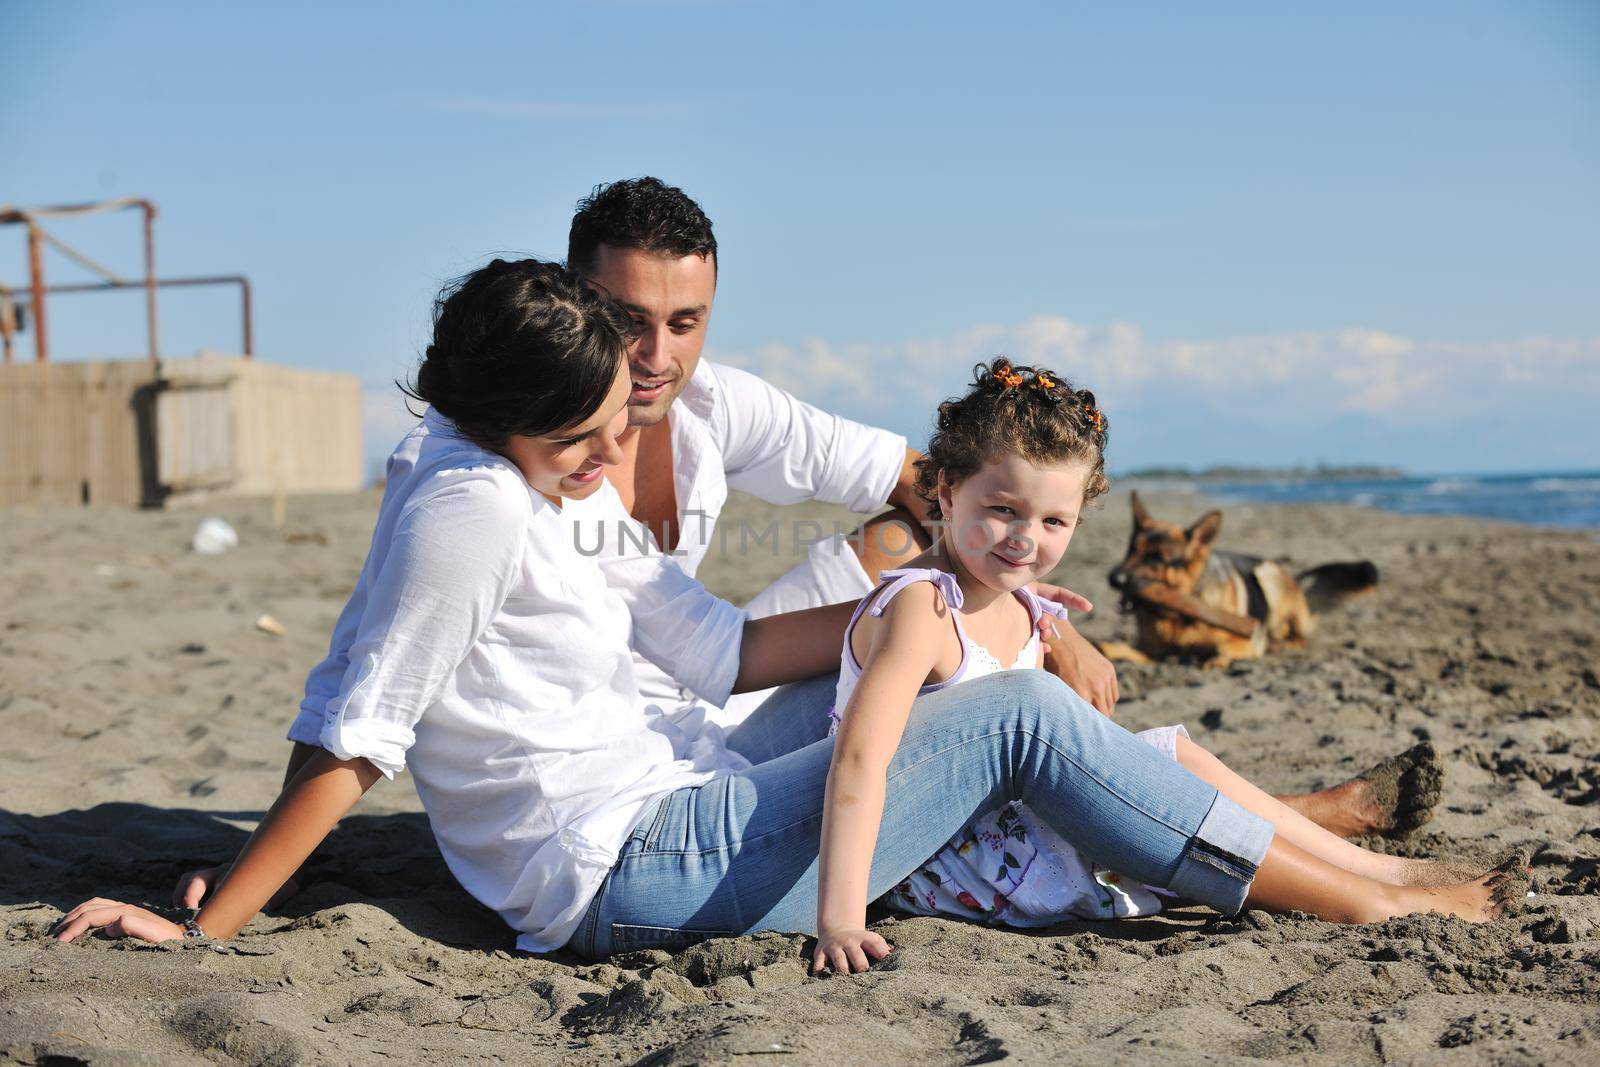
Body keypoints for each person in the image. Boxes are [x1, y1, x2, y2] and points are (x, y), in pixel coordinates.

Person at [51, 258, 1517, 957]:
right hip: (624, 863)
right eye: (574, 441)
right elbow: (354, 728)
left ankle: (1274, 825)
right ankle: (1378, 892)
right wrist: (220, 918)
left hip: (681, 774)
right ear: (504, 418)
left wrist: (938, 602)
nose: (595, 468)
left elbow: (712, 642)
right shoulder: (465, 509)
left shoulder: (533, 486)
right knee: (1008, 719)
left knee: (972, 660)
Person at [809, 359, 1528, 974]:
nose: (1025, 539)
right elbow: (860, 761)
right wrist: (841, 916)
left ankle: (1387, 871)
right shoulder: (920, 608)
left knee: (1177, 754)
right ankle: (1375, 899)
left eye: (1053, 522)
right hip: (958, 862)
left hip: (1011, 831)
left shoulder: (1016, 599)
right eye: (1001, 509)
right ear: (942, 492)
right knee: (1166, 776)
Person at [563, 177, 1119, 724]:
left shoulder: (713, 401)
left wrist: (1035, 614)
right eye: (629, 322)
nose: (658, 357)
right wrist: (923, 621)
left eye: (684, 323)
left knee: (906, 535)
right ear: (573, 300)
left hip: (714, 676)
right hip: (609, 725)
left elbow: (924, 479)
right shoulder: (517, 447)